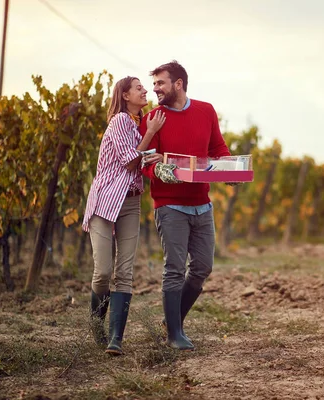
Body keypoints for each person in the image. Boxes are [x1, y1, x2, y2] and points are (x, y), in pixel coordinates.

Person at [140, 60, 231, 351]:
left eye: (160, 83)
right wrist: (163, 171)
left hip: (202, 203)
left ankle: (174, 320)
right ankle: (174, 335)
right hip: (170, 205)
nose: (155, 89)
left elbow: (218, 148)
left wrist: (230, 170)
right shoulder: (153, 117)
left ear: (178, 84)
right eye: (153, 84)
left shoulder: (205, 111)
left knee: (203, 266)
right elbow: (145, 162)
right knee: (175, 269)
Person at [82, 76, 165, 356]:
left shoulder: (137, 125)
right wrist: (150, 135)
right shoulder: (119, 121)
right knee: (103, 272)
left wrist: (152, 155)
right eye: (139, 87)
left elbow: (139, 161)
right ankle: (97, 326)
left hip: (130, 202)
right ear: (125, 95)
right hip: (106, 200)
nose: (145, 91)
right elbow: (129, 160)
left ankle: (115, 340)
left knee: (125, 273)